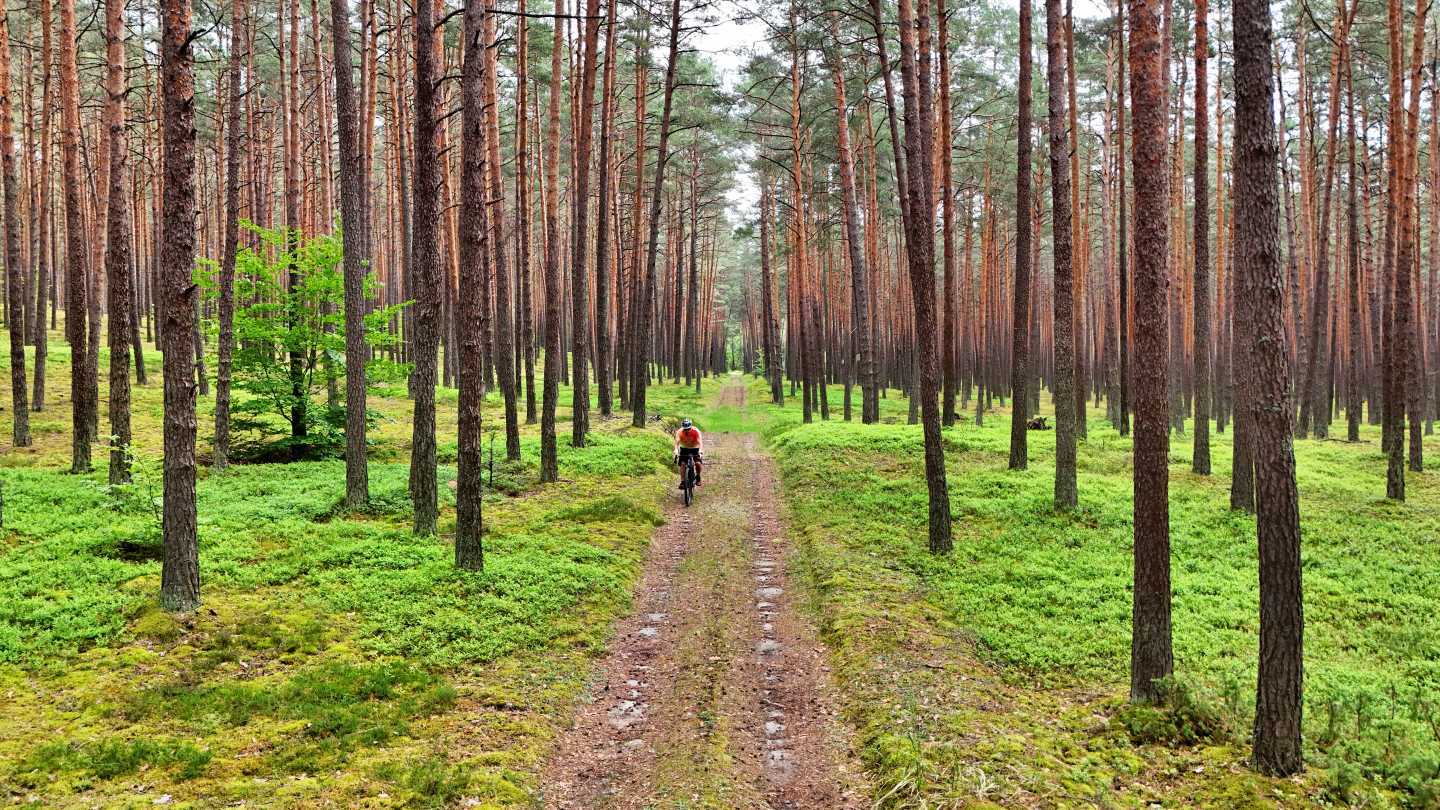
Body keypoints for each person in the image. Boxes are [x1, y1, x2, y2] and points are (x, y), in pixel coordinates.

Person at [672, 418, 703, 489]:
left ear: (691, 427)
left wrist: (700, 451)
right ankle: (682, 482)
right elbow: (677, 442)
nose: (686, 430)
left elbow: (700, 442)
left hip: (695, 448)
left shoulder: (696, 431)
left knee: (698, 463)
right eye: (685, 429)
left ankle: (698, 476)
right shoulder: (679, 432)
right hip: (684, 448)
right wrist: (676, 450)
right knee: (683, 464)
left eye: (688, 429)